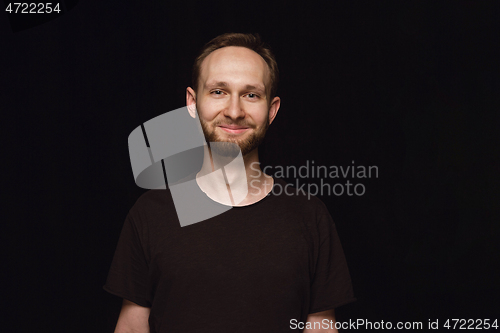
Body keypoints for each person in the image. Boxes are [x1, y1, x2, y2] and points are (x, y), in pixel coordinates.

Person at [104, 32, 356, 333]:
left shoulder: (310, 216)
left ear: (272, 110)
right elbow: (132, 328)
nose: (234, 112)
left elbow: (322, 329)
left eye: (251, 95)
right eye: (219, 92)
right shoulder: (149, 214)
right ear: (192, 103)